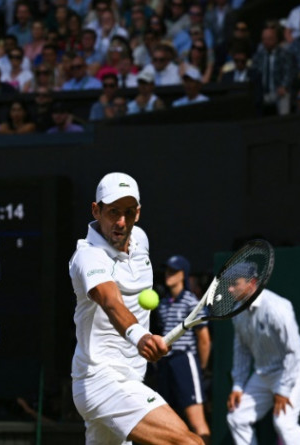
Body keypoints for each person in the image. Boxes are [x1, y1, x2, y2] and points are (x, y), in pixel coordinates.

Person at [70, 172, 203, 445]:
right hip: (103, 381)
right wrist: (140, 337)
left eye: (129, 213)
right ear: (96, 210)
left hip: (129, 378)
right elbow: (110, 301)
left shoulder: (140, 239)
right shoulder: (87, 256)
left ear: (138, 213)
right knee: (189, 443)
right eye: (113, 212)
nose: (121, 222)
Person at [226, 263, 300, 445]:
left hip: (293, 370)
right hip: (264, 373)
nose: (230, 288)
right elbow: (241, 350)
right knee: (237, 418)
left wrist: (284, 389)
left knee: (284, 423)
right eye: (229, 284)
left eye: (235, 283)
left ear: (252, 283)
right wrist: (238, 386)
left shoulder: (277, 307)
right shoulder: (237, 312)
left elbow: (293, 351)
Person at [152, 255, 211, 443]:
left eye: (173, 271)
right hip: (166, 364)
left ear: (183, 275)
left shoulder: (191, 301)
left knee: (197, 421)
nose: (168, 274)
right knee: (167, 424)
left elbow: (204, 339)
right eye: (167, 270)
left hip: (185, 361)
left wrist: (201, 368)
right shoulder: (161, 304)